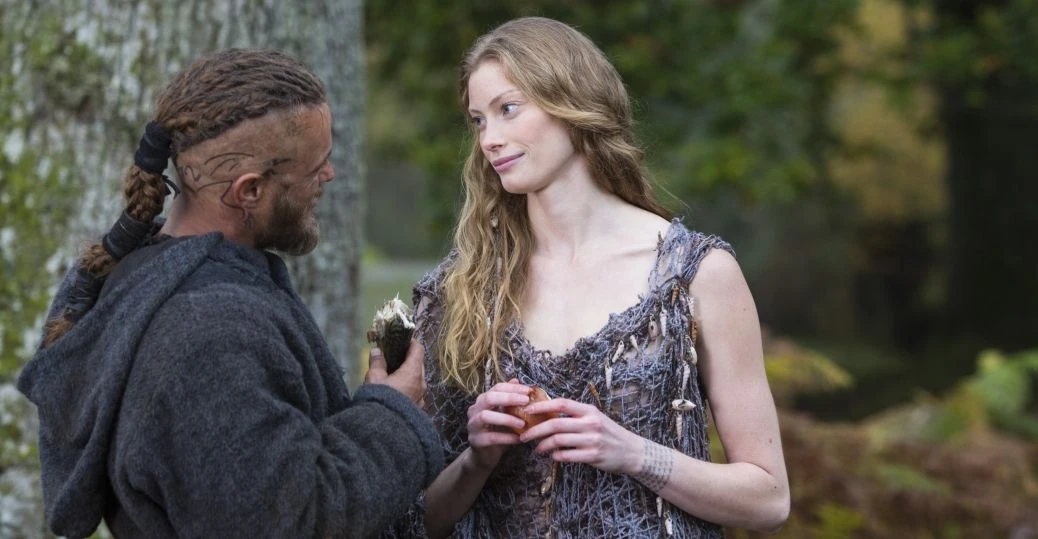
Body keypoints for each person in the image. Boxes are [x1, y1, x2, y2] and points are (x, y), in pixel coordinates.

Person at [387, 17, 789, 538]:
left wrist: (635, 454)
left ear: (570, 103)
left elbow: (768, 499)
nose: (490, 139)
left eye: (508, 109)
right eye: (479, 121)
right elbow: (413, 520)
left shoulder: (694, 274)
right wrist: (476, 460)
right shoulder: (459, 291)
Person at [16, 49, 443, 538]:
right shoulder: (209, 333)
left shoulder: (159, 276)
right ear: (249, 191)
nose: (328, 176)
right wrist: (391, 414)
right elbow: (285, 523)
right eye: (316, 166)